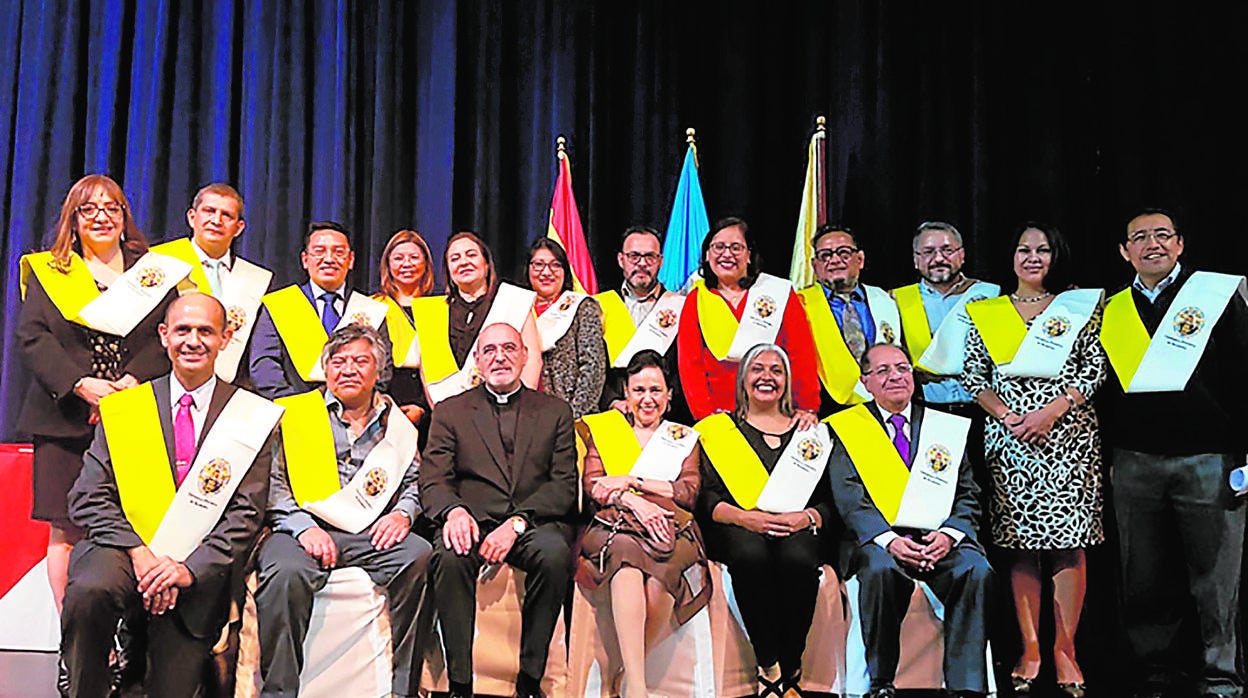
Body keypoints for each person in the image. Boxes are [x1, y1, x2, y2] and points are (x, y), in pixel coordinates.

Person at [61, 293, 281, 698]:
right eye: (182, 330)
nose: (192, 341)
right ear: (164, 336)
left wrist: (186, 568)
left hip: (197, 566)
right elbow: (87, 496)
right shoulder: (128, 408)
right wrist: (139, 552)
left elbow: (246, 514)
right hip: (125, 551)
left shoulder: (251, 416)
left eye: (205, 331)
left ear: (226, 338)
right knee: (90, 590)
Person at [18, 174, 186, 617]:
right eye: (88, 209)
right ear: (72, 220)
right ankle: (72, 637)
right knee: (67, 530)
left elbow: (162, 337)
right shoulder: (51, 270)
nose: (101, 217)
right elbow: (33, 337)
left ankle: (124, 634)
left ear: (124, 217)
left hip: (134, 412)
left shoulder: (150, 269)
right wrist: (81, 384)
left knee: (133, 526)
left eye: (112, 208)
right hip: (65, 416)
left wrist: (132, 380)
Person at [1098, 209, 1248, 698]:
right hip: (1137, 460)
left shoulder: (1214, 298)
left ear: (1180, 244)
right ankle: (1157, 672)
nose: (1152, 244)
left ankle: (1220, 674)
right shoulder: (1112, 310)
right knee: (1145, 576)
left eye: (1163, 235)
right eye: (1139, 237)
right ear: (1125, 251)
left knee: (1216, 578)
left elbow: (1243, 373)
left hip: (1208, 458)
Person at [963, 222, 1105, 697]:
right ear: (1011, 258)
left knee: (1069, 543)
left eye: (1043, 250)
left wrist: (1050, 412)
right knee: (1021, 545)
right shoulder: (987, 311)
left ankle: (1065, 648)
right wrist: (1008, 416)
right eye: (1024, 249)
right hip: (1010, 440)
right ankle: (1030, 649)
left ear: (1055, 256)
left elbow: (1094, 368)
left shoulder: (1079, 307)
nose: (1032, 258)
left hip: (1068, 437)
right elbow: (973, 373)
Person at [256, 323, 432, 698]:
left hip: (369, 532)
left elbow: (414, 481)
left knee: (419, 555)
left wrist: (402, 514)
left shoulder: (396, 424)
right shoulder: (297, 413)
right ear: (325, 368)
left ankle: (404, 689)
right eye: (338, 361)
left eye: (360, 361)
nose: (348, 369)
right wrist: (303, 528)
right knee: (284, 572)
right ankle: (279, 692)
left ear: (379, 372)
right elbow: (273, 482)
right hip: (302, 530)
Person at [419, 322, 578, 698]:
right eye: (489, 350)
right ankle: (459, 683)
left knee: (554, 554)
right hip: (470, 521)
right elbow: (433, 479)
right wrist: (453, 512)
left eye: (509, 348)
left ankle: (529, 679)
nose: (500, 357)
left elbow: (564, 485)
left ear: (525, 356)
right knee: (449, 554)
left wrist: (518, 523)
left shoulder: (555, 411)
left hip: (531, 522)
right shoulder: (451, 411)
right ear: (477, 360)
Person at [827, 343, 993, 698]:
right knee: (880, 570)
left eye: (902, 368)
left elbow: (967, 492)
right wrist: (889, 540)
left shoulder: (942, 428)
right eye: (883, 371)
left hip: (937, 539)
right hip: (880, 542)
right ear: (865, 382)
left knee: (975, 569)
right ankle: (882, 683)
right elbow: (850, 500)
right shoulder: (847, 429)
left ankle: (966, 686)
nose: (895, 377)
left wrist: (949, 535)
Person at [695, 344, 835, 698]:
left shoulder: (809, 431)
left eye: (776, 370)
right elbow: (707, 496)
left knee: (798, 560)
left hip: (796, 526)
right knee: (751, 556)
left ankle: (792, 663)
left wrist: (807, 517)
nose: (767, 377)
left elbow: (830, 497)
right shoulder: (720, 430)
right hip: (738, 527)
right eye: (757, 369)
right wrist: (745, 518)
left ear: (787, 382)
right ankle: (768, 662)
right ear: (743, 380)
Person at [576, 350, 710, 698]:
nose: (647, 399)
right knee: (625, 566)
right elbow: (595, 486)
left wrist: (633, 480)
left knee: (659, 584)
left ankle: (623, 674)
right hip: (615, 525)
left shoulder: (683, 437)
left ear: (669, 395)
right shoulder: (606, 430)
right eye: (639, 390)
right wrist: (630, 499)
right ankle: (636, 687)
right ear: (626, 393)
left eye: (655, 390)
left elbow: (687, 492)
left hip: (672, 526)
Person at [677, 217, 820, 420]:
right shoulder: (695, 299)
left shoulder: (778, 293)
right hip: (719, 415)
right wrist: (705, 416)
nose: (727, 254)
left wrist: (806, 406)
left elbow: (801, 352)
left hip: (776, 412)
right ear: (707, 255)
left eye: (736, 247)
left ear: (749, 255)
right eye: (719, 247)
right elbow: (690, 366)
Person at [151, 183, 274, 383]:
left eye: (226, 215)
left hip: (232, 391)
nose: (216, 220)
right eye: (209, 211)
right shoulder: (161, 262)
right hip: (165, 382)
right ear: (192, 217)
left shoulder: (258, 279)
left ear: (239, 228)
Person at [249, 221, 387, 399]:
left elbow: (383, 369)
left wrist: (358, 406)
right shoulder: (280, 305)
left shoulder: (370, 310)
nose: (329, 259)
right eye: (319, 251)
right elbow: (264, 365)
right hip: (295, 411)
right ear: (305, 260)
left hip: (358, 415)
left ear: (350, 260)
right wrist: (296, 405)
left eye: (338, 252)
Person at [409, 232, 542, 405]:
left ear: (486, 264)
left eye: (471, 255)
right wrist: (442, 415)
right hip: (450, 417)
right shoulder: (432, 312)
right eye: (455, 258)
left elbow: (531, 360)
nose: (464, 262)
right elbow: (427, 373)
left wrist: (518, 410)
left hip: (507, 411)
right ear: (448, 270)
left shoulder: (512, 303)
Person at [892, 221, 1000, 412]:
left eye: (947, 250)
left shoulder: (991, 295)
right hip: (925, 408)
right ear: (916, 260)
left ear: (962, 255)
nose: (938, 258)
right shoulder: (897, 300)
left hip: (984, 408)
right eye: (928, 252)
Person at [796, 224, 902, 414]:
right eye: (825, 255)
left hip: (884, 406)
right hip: (825, 408)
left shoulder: (884, 300)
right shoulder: (800, 304)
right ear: (815, 265)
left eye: (843, 253)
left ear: (860, 259)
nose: (834, 260)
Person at [595, 225, 689, 419]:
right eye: (634, 256)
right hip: (612, 414)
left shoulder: (680, 306)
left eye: (650, 257)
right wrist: (611, 401)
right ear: (621, 260)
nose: (642, 264)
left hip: (665, 415)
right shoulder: (599, 305)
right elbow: (593, 366)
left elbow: (684, 368)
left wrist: (664, 402)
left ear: (660, 261)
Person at [527, 237, 606, 418]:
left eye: (555, 265)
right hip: (525, 416)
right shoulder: (518, 308)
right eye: (538, 264)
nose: (546, 272)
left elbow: (593, 367)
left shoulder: (581, 307)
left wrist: (570, 415)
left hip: (570, 415)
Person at [373, 229, 435, 437]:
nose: (406, 264)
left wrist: (423, 407)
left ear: (426, 264)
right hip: (383, 407)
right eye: (398, 258)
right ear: (388, 265)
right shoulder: (373, 306)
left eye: (414, 257)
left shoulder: (440, 307)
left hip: (431, 406)